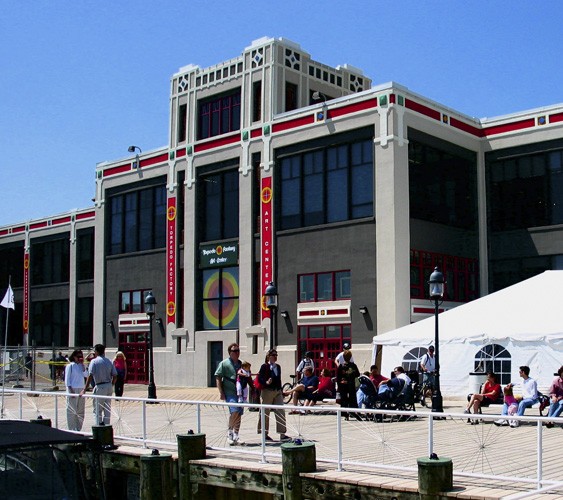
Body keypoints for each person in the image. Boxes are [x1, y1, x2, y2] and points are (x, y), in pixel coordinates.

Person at [256, 349, 290, 441]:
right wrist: (266, 382)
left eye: (276, 355)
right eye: (273, 355)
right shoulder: (264, 366)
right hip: (267, 391)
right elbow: (260, 378)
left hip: (277, 391)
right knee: (265, 412)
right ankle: (264, 434)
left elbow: (279, 379)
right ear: (268, 356)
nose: (275, 357)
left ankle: (282, 434)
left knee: (280, 411)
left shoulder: (278, 367)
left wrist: (281, 391)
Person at [80, 344, 117, 425]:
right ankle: (107, 424)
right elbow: (115, 375)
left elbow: (90, 376)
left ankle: (99, 424)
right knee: (107, 407)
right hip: (108, 385)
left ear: (96, 351)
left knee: (97, 408)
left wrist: (85, 389)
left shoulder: (94, 361)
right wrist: (112, 385)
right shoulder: (109, 361)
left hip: (100, 385)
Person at [215, 343, 243, 445]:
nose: (237, 353)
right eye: (234, 351)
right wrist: (221, 392)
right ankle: (230, 433)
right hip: (229, 391)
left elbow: (247, 376)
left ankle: (236, 434)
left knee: (239, 413)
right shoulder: (224, 363)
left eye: (238, 350)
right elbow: (218, 377)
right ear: (230, 352)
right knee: (234, 410)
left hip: (240, 392)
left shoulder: (242, 363)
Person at [64, 350, 87, 431]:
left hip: (81, 388)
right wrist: (71, 391)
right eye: (78, 357)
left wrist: (83, 365)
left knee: (80, 410)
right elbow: (67, 380)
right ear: (74, 357)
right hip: (72, 389)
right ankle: (72, 428)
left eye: (81, 357)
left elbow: (86, 375)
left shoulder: (81, 366)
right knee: (72, 410)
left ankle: (78, 428)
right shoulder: (70, 366)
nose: (80, 358)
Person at [336, 350, 361, 420]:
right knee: (352, 398)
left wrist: (339, 385)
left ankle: (345, 414)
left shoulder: (341, 366)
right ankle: (353, 412)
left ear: (343, 357)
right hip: (351, 384)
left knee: (344, 399)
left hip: (343, 385)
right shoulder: (353, 365)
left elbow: (338, 377)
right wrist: (351, 374)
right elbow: (358, 374)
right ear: (350, 357)